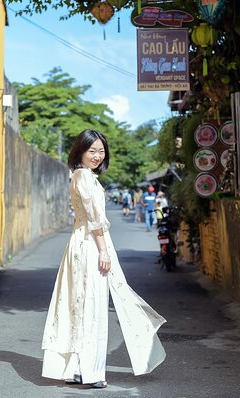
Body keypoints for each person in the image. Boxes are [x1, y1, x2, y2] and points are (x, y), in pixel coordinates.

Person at [41, 129, 166, 389]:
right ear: (80, 152)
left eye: (101, 151)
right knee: (93, 307)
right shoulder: (84, 177)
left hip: (81, 242)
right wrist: (104, 250)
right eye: (92, 151)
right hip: (90, 245)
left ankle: (75, 369)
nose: (97, 156)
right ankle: (93, 372)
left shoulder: (80, 175)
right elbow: (95, 217)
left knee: (78, 304)